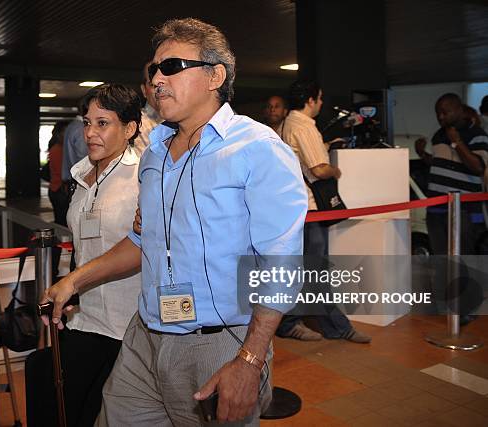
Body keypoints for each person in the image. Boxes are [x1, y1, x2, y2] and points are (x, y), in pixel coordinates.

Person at [42, 18, 308, 426]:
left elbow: (281, 265)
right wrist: (74, 281)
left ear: (215, 75)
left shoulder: (258, 149)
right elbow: (142, 240)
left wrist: (251, 360)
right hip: (145, 337)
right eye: (153, 69)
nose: (157, 79)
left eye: (172, 67)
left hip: (220, 344)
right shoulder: (156, 153)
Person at [27, 84, 143, 426]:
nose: (90, 132)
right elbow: (84, 246)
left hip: (129, 326)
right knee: (62, 404)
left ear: (130, 128)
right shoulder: (80, 176)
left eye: (102, 123)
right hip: (85, 318)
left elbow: (141, 246)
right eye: (86, 122)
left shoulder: (143, 177)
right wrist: (71, 288)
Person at [276, 80, 371, 344]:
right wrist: (335, 170)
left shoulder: (287, 123)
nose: (320, 103)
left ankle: (291, 322)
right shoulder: (304, 125)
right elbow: (318, 169)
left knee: (302, 270)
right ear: (310, 100)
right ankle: (335, 327)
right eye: (319, 98)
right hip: (311, 208)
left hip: (295, 208)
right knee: (316, 271)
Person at [415, 93, 488, 255]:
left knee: (465, 259)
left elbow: (478, 168)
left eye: (445, 112)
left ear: (459, 110)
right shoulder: (438, 135)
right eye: (437, 113)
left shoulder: (477, 134)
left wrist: (456, 142)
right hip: (436, 209)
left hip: (463, 210)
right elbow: (440, 165)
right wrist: (422, 154)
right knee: (441, 259)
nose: (440, 117)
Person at [47, 120, 71, 227]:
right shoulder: (57, 149)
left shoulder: (60, 149)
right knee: (62, 224)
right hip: (59, 191)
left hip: (57, 190)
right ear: (59, 134)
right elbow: (62, 173)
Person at [135, 61, 162, 151]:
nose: (159, 89)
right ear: (144, 90)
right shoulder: (136, 125)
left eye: (163, 83)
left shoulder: (182, 121)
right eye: (152, 84)